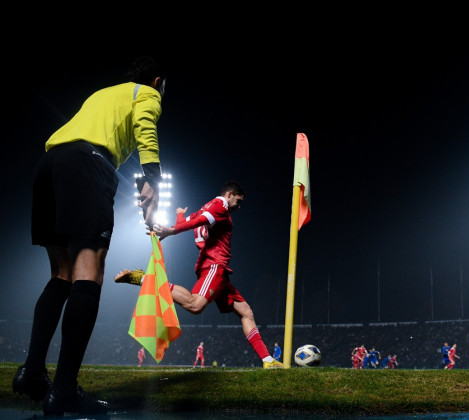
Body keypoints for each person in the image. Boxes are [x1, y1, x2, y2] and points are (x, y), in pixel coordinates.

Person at [12, 56, 167, 416]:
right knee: (89, 271)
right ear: (158, 80)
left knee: (61, 275)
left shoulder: (104, 94)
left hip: (50, 164)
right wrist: (153, 179)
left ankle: (32, 373)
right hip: (88, 165)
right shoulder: (148, 93)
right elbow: (146, 126)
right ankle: (64, 390)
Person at [115, 181, 283, 369]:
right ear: (229, 194)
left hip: (218, 269)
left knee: (246, 312)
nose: (238, 206)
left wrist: (179, 216)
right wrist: (172, 231)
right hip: (214, 265)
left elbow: (189, 222)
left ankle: (268, 361)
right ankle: (145, 279)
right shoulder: (220, 206)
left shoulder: (206, 208)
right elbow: (198, 222)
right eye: (238, 200)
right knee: (195, 305)